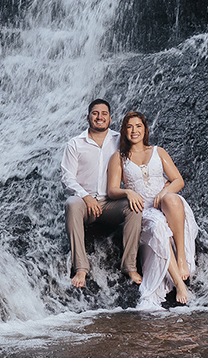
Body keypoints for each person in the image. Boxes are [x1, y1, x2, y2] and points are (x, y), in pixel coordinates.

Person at [106, 110, 198, 308]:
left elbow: (178, 180)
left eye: (138, 126)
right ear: (124, 131)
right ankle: (179, 284)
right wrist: (127, 192)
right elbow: (112, 190)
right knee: (157, 225)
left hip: (164, 203)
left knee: (172, 199)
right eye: (129, 127)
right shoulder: (119, 157)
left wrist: (164, 193)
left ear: (145, 129)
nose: (134, 130)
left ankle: (181, 259)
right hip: (143, 209)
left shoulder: (158, 151)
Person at [61, 99, 143, 287]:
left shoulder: (120, 140)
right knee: (71, 203)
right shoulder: (75, 144)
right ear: (88, 117)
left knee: (135, 208)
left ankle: (129, 266)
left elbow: (139, 159)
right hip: (84, 204)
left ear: (110, 118)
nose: (100, 117)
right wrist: (85, 196)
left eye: (104, 113)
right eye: (95, 113)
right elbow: (67, 177)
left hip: (110, 204)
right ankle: (81, 268)